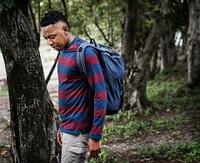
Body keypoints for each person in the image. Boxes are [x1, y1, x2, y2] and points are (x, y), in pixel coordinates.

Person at [40, 10, 107, 163]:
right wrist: (62, 125)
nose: (50, 42)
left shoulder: (85, 52)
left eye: (52, 37)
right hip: (68, 128)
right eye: (46, 39)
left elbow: (100, 94)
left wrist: (96, 136)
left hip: (78, 132)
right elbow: (70, 92)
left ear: (65, 30)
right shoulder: (64, 51)